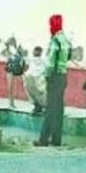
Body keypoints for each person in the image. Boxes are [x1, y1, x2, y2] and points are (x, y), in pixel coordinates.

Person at [36, 14, 71, 148]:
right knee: (59, 109)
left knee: (50, 108)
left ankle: (43, 139)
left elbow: (51, 62)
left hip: (54, 77)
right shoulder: (66, 40)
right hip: (63, 76)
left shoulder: (55, 40)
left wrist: (46, 76)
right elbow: (68, 56)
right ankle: (56, 139)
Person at [24, 45, 48, 115]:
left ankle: (46, 107)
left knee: (42, 93)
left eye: (38, 51)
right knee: (29, 89)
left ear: (41, 52)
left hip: (41, 78)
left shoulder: (44, 59)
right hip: (31, 77)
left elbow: (48, 68)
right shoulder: (31, 59)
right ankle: (37, 106)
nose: (36, 53)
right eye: (35, 51)